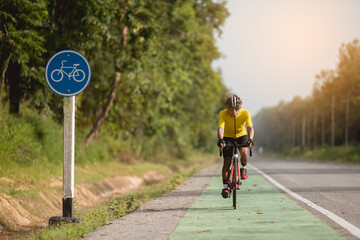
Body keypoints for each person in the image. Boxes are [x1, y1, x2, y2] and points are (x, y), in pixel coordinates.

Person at [217, 95, 254, 198]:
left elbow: (250, 127)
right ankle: (225, 186)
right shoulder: (222, 114)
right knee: (227, 162)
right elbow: (221, 128)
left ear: (240, 107)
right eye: (231, 109)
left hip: (241, 135)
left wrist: (250, 139)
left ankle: (243, 167)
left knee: (244, 152)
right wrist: (221, 140)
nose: (234, 112)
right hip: (227, 137)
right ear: (227, 107)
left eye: (236, 109)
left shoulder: (246, 113)